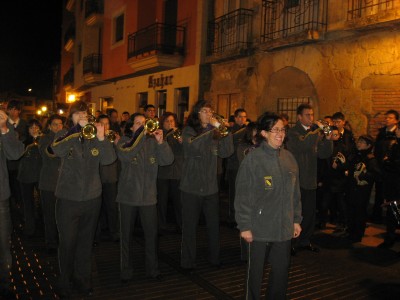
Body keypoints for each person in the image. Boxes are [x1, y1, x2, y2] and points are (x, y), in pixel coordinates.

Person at [51, 100, 116, 298]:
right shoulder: (63, 134)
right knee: (68, 242)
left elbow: (108, 159)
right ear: (71, 117)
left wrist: (102, 137)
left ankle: (82, 279)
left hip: (92, 198)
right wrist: (75, 131)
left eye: (84, 114)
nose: (81, 117)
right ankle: (64, 280)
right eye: (77, 114)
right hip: (68, 199)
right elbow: (56, 150)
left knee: (85, 243)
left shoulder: (95, 137)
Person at [235, 112, 302, 299]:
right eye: (275, 130)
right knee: (255, 274)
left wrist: (296, 220)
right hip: (259, 228)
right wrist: (245, 226)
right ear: (264, 133)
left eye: (282, 129)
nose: (280, 134)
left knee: (281, 272)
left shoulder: (289, 158)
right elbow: (243, 196)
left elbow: (295, 194)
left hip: (283, 227)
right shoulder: (253, 159)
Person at [116, 113, 173, 283]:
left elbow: (167, 160)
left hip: (148, 197)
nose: (141, 126)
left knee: (151, 235)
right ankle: (125, 271)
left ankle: (153, 270)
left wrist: (161, 142)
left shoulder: (153, 142)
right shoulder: (123, 142)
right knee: (126, 236)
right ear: (132, 127)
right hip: (127, 196)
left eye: (144, 123)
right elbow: (125, 155)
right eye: (138, 123)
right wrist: (139, 136)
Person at [179, 100, 234, 270]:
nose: (208, 114)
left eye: (210, 111)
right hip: (191, 187)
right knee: (189, 227)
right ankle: (187, 262)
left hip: (210, 187)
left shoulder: (215, 132)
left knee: (213, 226)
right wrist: (212, 129)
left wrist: (226, 133)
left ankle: (214, 258)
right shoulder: (189, 131)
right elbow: (194, 147)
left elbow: (227, 152)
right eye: (204, 111)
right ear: (197, 114)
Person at [286, 103, 333, 254]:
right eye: (307, 115)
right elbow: (303, 145)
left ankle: (305, 240)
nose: (311, 118)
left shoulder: (314, 133)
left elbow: (324, 154)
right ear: (299, 117)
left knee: (309, 213)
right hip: (296, 180)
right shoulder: (292, 133)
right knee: (294, 214)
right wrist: (318, 131)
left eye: (312, 115)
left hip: (310, 179)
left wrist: (328, 139)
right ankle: (291, 242)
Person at [0, 109, 24, 298]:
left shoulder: (4, 126)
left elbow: (16, 154)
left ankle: (4, 284)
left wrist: (4, 129)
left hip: (0, 197)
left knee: (2, 245)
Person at [345, 135, 380, 243]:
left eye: (361, 142)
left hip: (362, 190)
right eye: (358, 141)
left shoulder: (370, 159)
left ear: (368, 145)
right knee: (351, 209)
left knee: (359, 211)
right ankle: (351, 231)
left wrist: (361, 175)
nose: (358, 143)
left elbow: (375, 174)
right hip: (352, 188)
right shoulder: (355, 155)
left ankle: (357, 234)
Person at [38, 114, 63, 254]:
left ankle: (61, 240)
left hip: (63, 183)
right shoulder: (44, 138)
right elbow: (48, 153)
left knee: (62, 214)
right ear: (49, 126)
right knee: (49, 215)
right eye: (55, 124)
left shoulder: (65, 137)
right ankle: (51, 242)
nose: (58, 127)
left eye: (60, 124)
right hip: (48, 182)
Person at [157, 112, 183, 233]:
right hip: (162, 172)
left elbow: (185, 151)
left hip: (177, 171)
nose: (170, 123)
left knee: (178, 200)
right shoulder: (159, 134)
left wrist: (181, 141)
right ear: (163, 122)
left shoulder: (179, 133)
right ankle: (161, 225)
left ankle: (180, 224)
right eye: (167, 121)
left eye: (172, 121)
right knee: (162, 201)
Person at [373, 109, 399, 225]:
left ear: (396, 121)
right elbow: (377, 149)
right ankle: (377, 216)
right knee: (379, 193)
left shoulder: (396, 136)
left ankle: (393, 222)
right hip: (380, 168)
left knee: (392, 198)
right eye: (386, 117)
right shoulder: (382, 133)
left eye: (390, 118)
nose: (387, 120)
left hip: (393, 171)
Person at [96, 114, 120, 242]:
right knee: (97, 207)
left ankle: (114, 231)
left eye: (107, 124)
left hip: (111, 176)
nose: (105, 126)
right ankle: (98, 232)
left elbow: (120, 154)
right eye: (102, 123)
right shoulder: (94, 137)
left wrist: (117, 142)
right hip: (97, 176)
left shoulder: (113, 136)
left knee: (112, 206)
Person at [18, 119, 42, 237]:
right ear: (27, 130)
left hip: (40, 175)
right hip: (26, 175)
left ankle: (42, 227)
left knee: (42, 203)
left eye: (36, 127)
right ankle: (29, 228)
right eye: (31, 127)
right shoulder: (23, 140)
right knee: (27, 203)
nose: (34, 129)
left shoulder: (43, 139)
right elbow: (18, 154)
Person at [378, 122, 400, 248]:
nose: (396, 131)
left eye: (399, 129)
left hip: (397, 184)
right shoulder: (395, 144)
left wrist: (388, 162)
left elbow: (396, 165)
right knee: (392, 213)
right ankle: (389, 238)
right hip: (393, 184)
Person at [226, 108, 248, 227]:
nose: (242, 119)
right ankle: (232, 216)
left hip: (245, 166)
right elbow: (231, 140)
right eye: (240, 117)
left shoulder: (247, 131)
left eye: (244, 117)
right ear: (235, 118)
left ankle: (242, 216)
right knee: (233, 193)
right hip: (234, 165)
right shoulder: (231, 130)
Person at [6, 100, 28, 210]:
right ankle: (13, 207)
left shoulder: (25, 124)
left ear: (19, 111)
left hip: (22, 161)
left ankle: (21, 207)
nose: (13, 112)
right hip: (8, 162)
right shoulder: (4, 124)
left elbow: (28, 139)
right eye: (11, 109)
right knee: (10, 186)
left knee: (21, 186)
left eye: (16, 109)